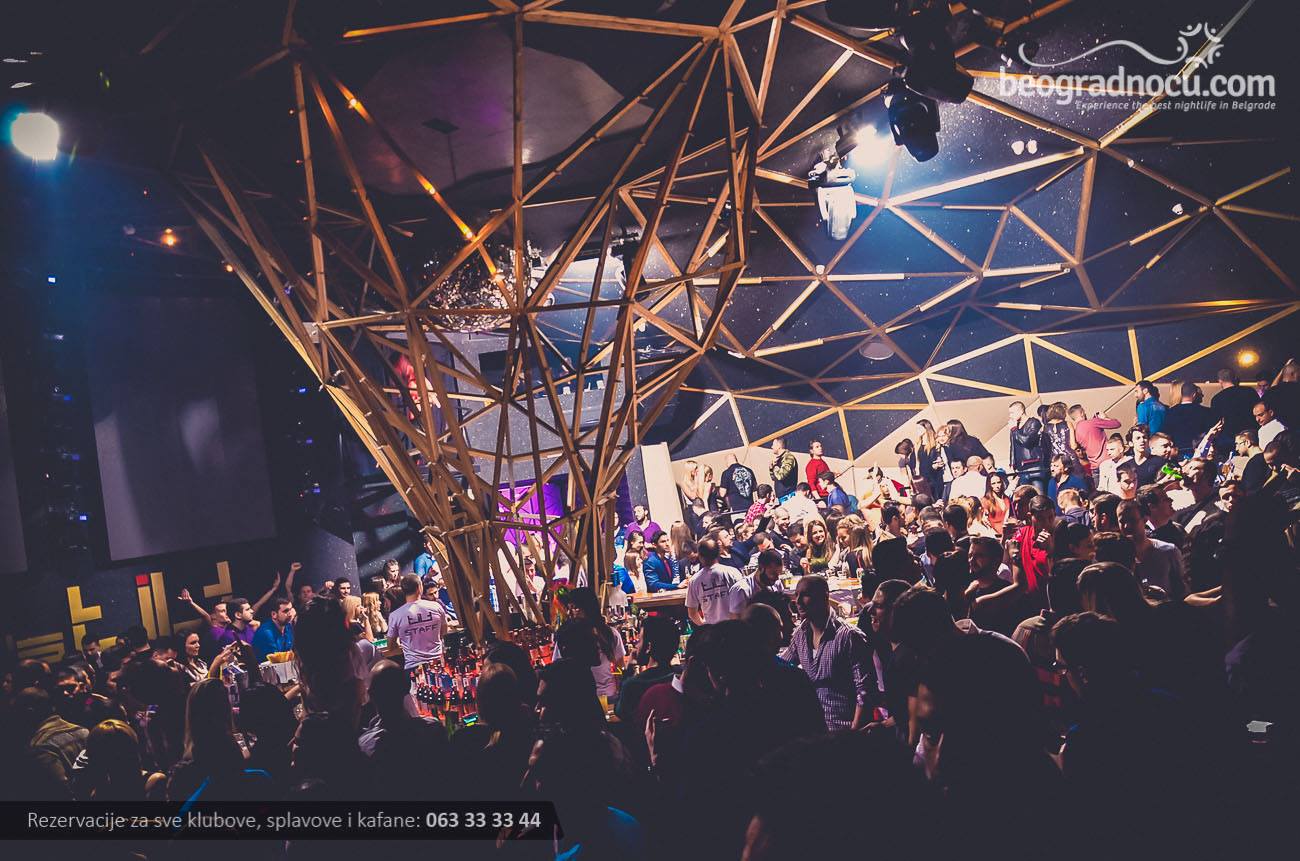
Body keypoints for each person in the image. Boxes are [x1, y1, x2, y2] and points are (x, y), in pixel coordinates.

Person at [780, 576, 875, 730]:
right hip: (814, 728)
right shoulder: (800, 634)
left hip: (844, 728)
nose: (798, 601)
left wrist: (854, 731)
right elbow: (782, 666)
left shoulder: (849, 636)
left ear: (824, 597)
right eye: (796, 595)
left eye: (805, 595)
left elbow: (864, 691)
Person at [614, 615, 679, 724]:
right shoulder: (678, 677)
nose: (636, 646)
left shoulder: (633, 685)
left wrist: (628, 671)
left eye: (639, 640)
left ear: (648, 647)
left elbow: (620, 712)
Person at [1117, 499, 1184, 600]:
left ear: (1145, 519)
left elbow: (1182, 591)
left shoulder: (1168, 551)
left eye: (1132, 520)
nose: (1127, 526)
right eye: (1122, 522)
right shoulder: (1116, 556)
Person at [385, 573, 446, 669]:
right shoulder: (436, 607)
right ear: (419, 587)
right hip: (438, 662)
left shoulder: (395, 615)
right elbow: (443, 632)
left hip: (413, 667)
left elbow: (390, 646)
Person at [687, 538, 741, 625]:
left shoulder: (694, 580)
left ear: (700, 556)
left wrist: (704, 626)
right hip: (733, 626)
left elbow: (692, 613)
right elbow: (743, 601)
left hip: (712, 629)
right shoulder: (733, 573)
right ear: (718, 553)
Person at [1162, 381, 1216, 457]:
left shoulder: (1170, 412)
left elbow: (1166, 432)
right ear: (1194, 395)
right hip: (1199, 451)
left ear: (1181, 394)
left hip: (1178, 452)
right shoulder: (1205, 412)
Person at [728, 548, 785, 617]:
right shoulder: (742, 590)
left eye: (779, 574)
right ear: (761, 568)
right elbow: (736, 619)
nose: (777, 578)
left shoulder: (777, 583)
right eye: (773, 574)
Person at [1008, 401, 1047, 491]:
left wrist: (1014, 429)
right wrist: (1012, 464)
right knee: (1025, 496)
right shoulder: (1014, 427)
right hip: (1021, 469)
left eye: (1012, 412)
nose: (1010, 416)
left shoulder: (1033, 422)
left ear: (1021, 411)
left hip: (1034, 466)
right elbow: (1013, 446)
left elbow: (1027, 441)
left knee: (1038, 494)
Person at [1136, 483, 1185, 549]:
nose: (1171, 500)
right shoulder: (1143, 541)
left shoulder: (1178, 529)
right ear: (1152, 507)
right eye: (1165, 499)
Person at [251, 597, 295, 663]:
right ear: (274, 614)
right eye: (286, 611)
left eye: (291, 610)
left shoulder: (288, 626)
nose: (290, 614)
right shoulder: (266, 633)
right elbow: (277, 661)